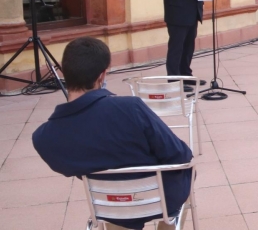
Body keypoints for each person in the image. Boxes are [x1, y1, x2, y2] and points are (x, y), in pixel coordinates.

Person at [32, 37, 193, 230]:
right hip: (158, 201)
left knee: (113, 201)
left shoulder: (44, 138)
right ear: (102, 75)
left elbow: (68, 168)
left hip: (108, 206)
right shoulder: (130, 108)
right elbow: (180, 155)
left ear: (64, 73)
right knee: (187, 173)